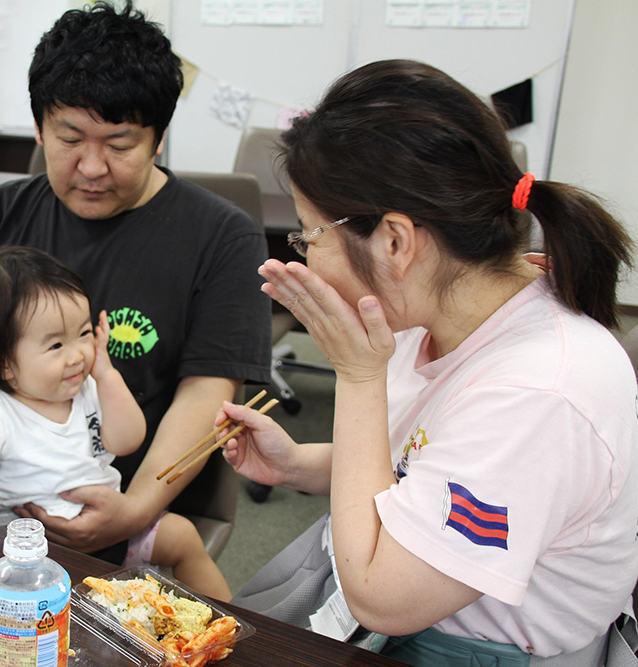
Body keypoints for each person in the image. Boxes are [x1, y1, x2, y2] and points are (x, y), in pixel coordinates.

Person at [216, 59, 638, 666]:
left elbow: (380, 599)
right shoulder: (436, 310)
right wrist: (300, 464)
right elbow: (421, 469)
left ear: (395, 241)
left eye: (309, 235)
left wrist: (357, 375)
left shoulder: (540, 393)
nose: (304, 258)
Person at [0, 1, 271, 563]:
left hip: (126, 502)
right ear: (40, 127)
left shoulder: (222, 236)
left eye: (119, 145)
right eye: (69, 138)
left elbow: (209, 391)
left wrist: (137, 508)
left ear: (158, 137)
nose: (92, 167)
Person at [0, 246, 231, 599]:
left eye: (84, 334)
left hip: (112, 530)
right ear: (2, 362)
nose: (77, 355)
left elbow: (126, 441)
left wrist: (109, 376)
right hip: (34, 555)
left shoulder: (88, 388)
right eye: (55, 345)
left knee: (184, 537)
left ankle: (244, 636)